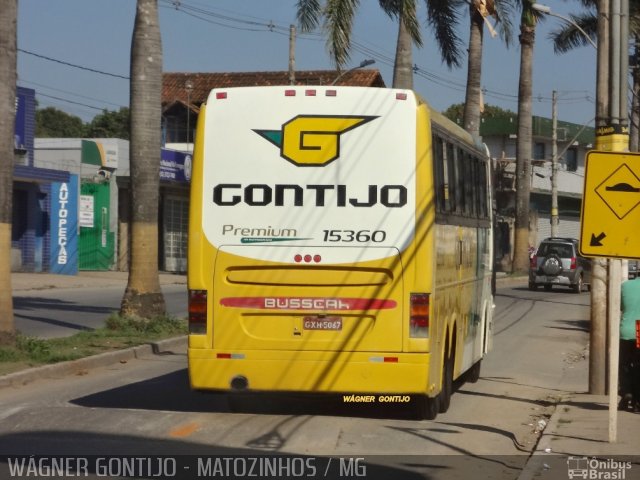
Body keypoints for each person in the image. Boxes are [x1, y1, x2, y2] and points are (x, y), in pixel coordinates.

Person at [619, 275, 640, 412]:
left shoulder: (625, 286)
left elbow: (621, 306)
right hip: (639, 328)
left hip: (626, 329)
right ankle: (638, 402)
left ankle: (626, 391)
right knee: (638, 365)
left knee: (624, 364)